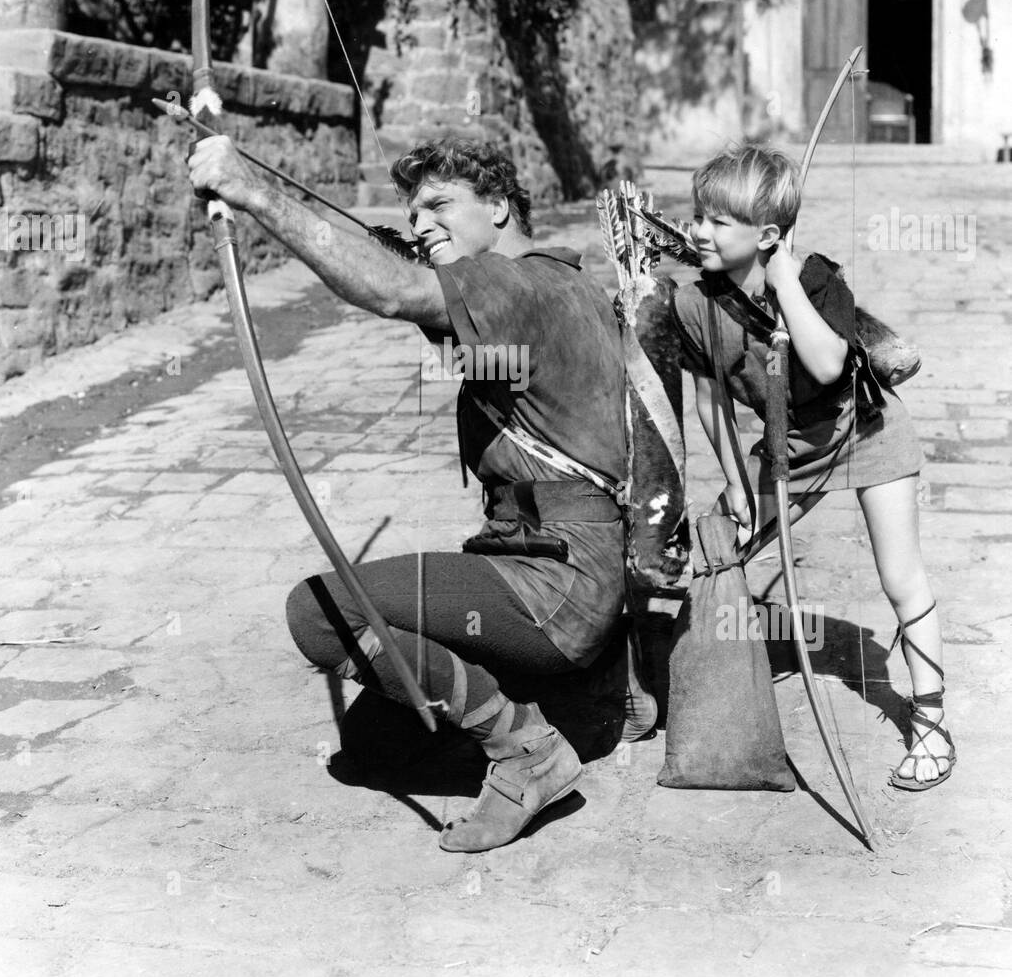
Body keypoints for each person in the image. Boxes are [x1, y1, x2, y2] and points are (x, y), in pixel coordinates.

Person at [188, 136, 630, 850]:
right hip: (572, 566)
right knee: (374, 749)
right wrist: (415, 267)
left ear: (498, 205)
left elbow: (393, 293)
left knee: (318, 614)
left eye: (439, 205)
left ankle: (529, 750)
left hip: (553, 582)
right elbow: (465, 344)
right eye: (413, 212)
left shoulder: (515, 283)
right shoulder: (560, 283)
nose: (422, 222)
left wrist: (253, 192)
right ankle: (541, 690)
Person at [671, 144, 954, 791]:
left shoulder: (817, 277)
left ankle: (930, 721)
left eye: (719, 222)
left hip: (867, 432)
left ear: (768, 235)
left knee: (900, 576)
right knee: (718, 547)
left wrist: (787, 282)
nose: (699, 231)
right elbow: (710, 401)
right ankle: (699, 682)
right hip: (787, 447)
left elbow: (828, 365)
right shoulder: (697, 305)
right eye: (699, 216)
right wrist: (738, 486)